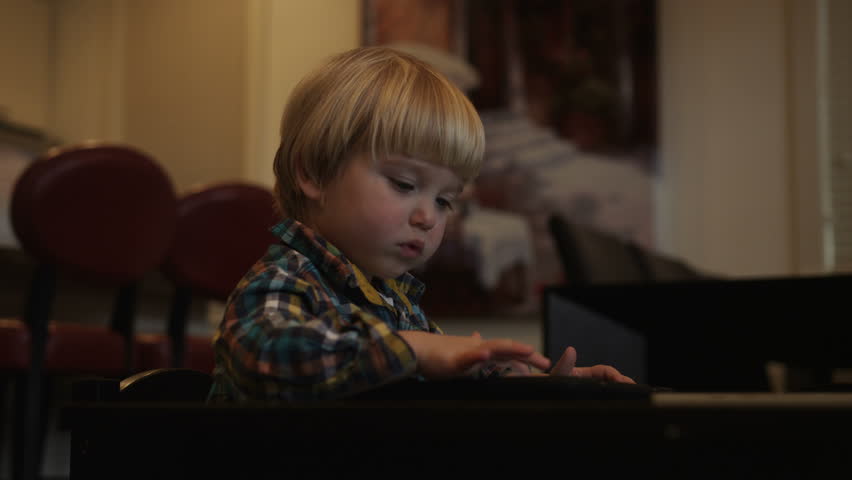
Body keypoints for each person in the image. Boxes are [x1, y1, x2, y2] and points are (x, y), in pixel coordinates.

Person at [209, 46, 633, 402]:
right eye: (404, 183)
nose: (428, 216)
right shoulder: (286, 280)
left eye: (445, 200)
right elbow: (261, 355)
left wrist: (539, 386)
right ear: (314, 173)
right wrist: (411, 348)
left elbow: (447, 375)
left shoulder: (394, 300)